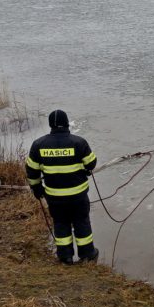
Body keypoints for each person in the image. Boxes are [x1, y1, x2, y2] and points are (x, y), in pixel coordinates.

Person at [26, 110, 99, 265]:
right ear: (67, 123)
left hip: (55, 197)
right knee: (81, 222)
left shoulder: (38, 144)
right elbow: (91, 163)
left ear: (50, 125)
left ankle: (65, 257)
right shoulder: (79, 142)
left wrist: (36, 188)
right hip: (78, 196)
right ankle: (87, 255)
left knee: (60, 223)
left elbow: (32, 170)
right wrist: (84, 169)